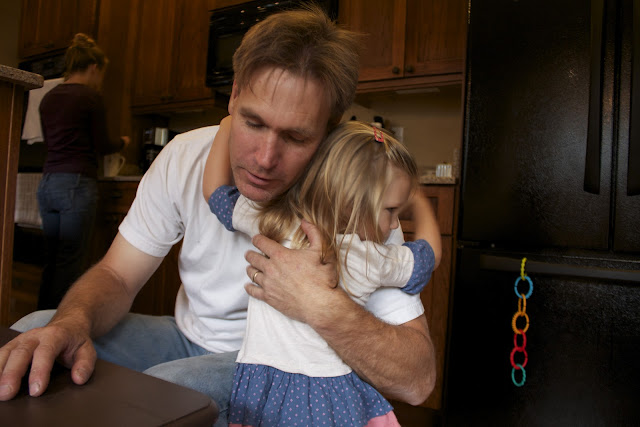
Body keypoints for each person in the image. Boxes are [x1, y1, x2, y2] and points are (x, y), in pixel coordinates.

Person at [0, 7, 440, 426]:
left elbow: (417, 381)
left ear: (330, 130)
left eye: (295, 137)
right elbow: (117, 275)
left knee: (166, 392)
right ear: (233, 97)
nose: (265, 158)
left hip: (277, 366)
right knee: (36, 329)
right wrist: (72, 322)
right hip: (183, 337)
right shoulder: (185, 156)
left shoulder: (354, 202)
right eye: (253, 123)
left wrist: (322, 307)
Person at [205, 118, 438, 426]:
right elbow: (430, 256)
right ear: (354, 202)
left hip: (262, 389)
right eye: (391, 210)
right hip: (329, 399)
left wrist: (227, 126)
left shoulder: (271, 222)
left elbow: (213, 193)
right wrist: (421, 203)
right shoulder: (367, 257)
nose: (395, 224)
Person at [36, 33, 130, 309]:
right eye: (100, 74)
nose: (99, 80)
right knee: (70, 262)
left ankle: (40, 320)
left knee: (52, 260)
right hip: (76, 184)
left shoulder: (48, 98)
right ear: (94, 68)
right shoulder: (89, 97)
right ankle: (61, 325)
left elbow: (49, 141)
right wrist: (123, 142)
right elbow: (102, 145)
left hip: (48, 183)